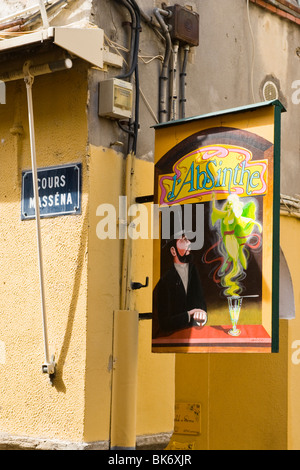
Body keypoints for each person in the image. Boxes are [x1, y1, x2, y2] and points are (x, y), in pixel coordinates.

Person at [153, 234, 207, 337]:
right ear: (173, 251)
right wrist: (190, 314)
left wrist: (201, 315)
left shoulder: (193, 271)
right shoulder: (165, 281)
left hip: (192, 335)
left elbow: (200, 305)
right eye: (184, 240)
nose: (190, 243)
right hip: (170, 338)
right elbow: (164, 323)